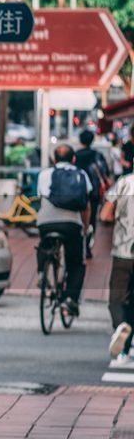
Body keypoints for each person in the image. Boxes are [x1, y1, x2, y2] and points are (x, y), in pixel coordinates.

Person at [36, 144, 92, 317]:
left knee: (44, 244)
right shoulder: (81, 175)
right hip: (71, 224)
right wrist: (84, 226)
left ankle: (43, 272)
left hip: (46, 222)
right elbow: (86, 206)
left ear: (54, 159)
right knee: (76, 262)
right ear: (73, 159)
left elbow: (41, 198)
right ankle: (69, 300)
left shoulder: (44, 174)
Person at [102, 172, 134, 364]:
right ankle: (126, 346)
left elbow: (105, 214)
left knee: (118, 298)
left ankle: (120, 326)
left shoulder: (124, 182)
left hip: (123, 251)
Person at [75, 130, 111, 259]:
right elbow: (105, 170)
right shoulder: (97, 155)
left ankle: (78, 245)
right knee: (91, 219)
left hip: (78, 192)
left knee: (77, 217)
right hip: (94, 192)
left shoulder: (75, 155)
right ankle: (88, 245)